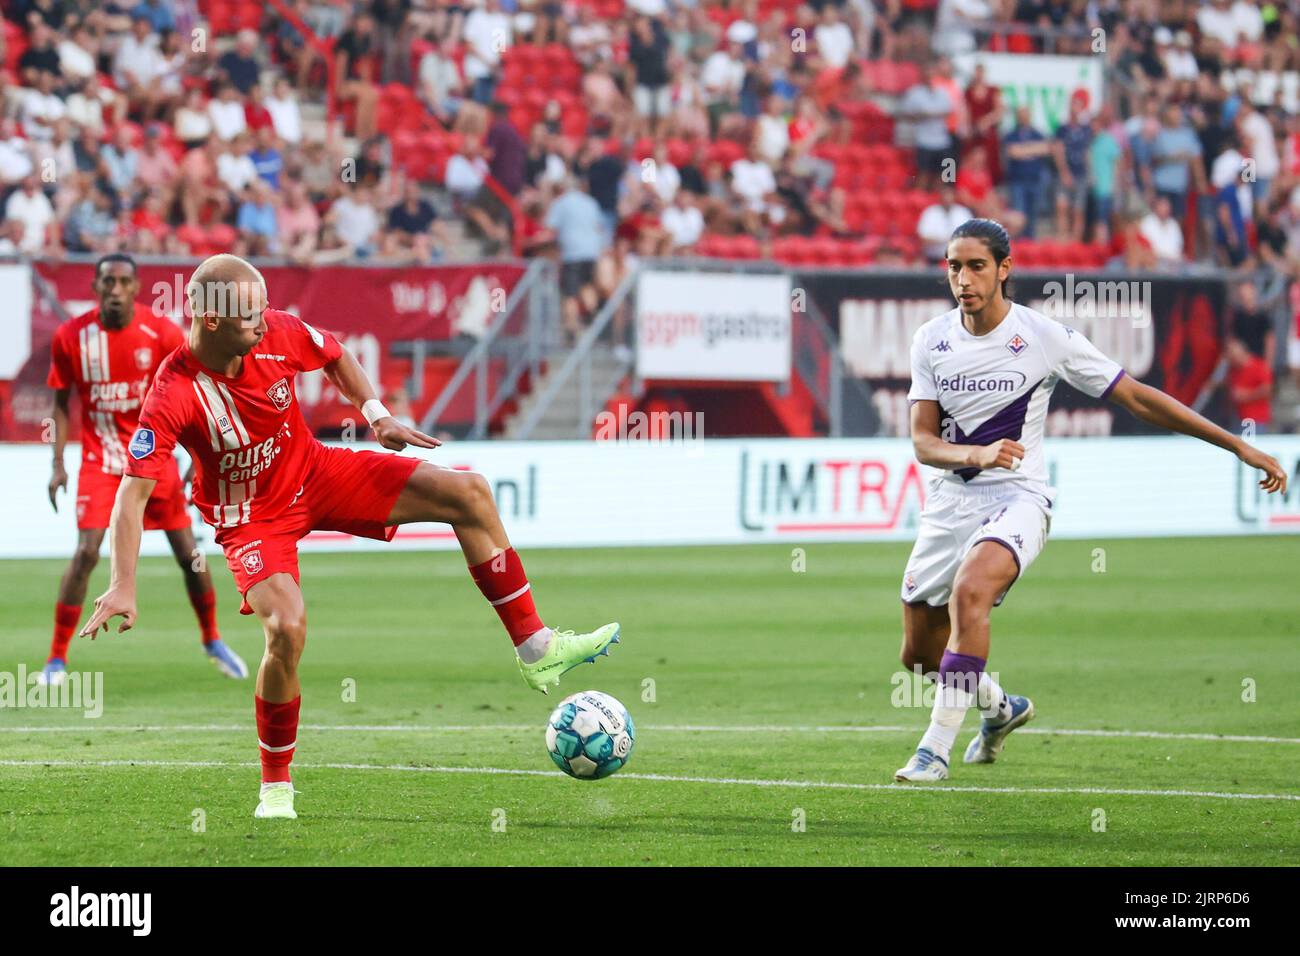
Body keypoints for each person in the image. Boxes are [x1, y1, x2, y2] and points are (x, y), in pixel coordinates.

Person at [81, 255, 620, 820]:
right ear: (212, 323)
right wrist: (122, 582)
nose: (265, 322)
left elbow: (334, 352)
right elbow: (132, 494)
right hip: (251, 519)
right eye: (250, 316)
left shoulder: (277, 330)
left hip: (316, 473)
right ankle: (276, 784)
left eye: (265, 309)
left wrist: (375, 413)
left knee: (471, 494)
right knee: (286, 629)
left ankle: (536, 648)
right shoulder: (173, 393)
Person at [894, 218, 1286, 783]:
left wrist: (1236, 446)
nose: (963, 278)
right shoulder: (930, 339)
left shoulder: (1044, 337)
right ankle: (1002, 709)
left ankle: (933, 751)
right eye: (954, 266)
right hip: (949, 502)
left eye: (977, 265)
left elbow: (1138, 398)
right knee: (919, 657)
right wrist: (975, 455)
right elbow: (923, 442)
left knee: (971, 592)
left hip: (1019, 497)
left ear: (1005, 269)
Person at [42, 254, 246, 686]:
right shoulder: (70, 338)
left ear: (136, 288)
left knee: (189, 555)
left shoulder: (161, 332)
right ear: (95, 287)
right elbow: (60, 404)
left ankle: (212, 640)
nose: (115, 289)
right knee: (85, 554)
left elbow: (194, 390)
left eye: (123, 281)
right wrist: (57, 463)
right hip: (100, 462)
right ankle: (56, 660)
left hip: (154, 461)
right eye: (107, 281)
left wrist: (200, 456)